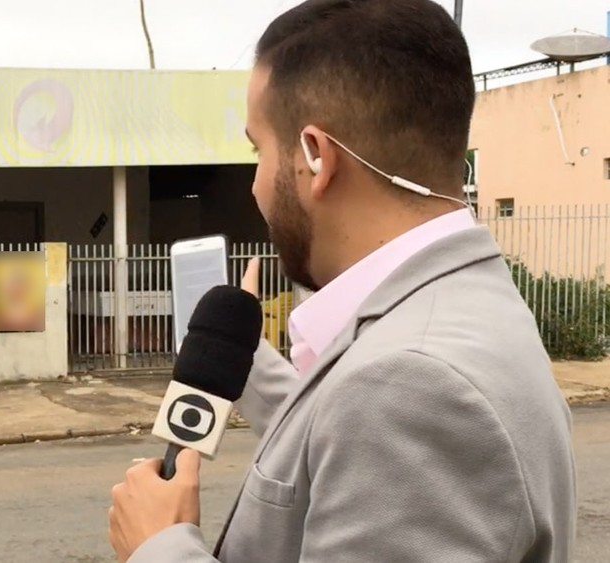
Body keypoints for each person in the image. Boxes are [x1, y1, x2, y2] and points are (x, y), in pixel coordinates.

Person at [107, 0, 577, 561]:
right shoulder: (464, 308)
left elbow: (387, 411)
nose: (255, 185)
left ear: (316, 156)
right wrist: (239, 355)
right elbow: (346, 442)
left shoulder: (412, 384)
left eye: (259, 150)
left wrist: (158, 546)